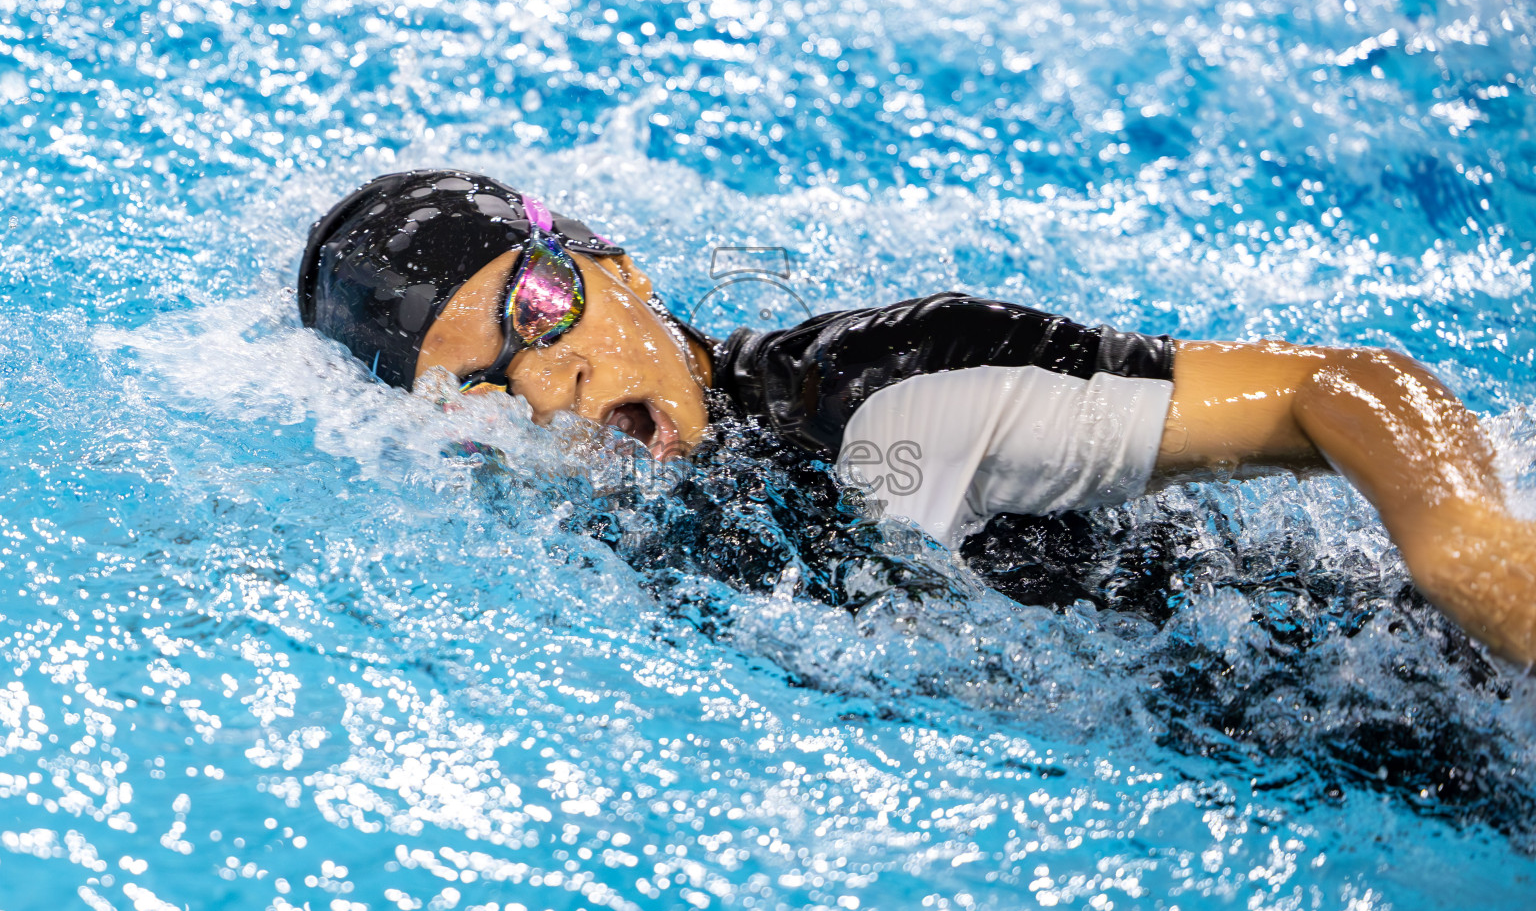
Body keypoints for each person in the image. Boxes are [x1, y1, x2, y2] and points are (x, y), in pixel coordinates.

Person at [297, 169, 1536, 667]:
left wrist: (1461, 538)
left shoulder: (889, 400)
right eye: (476, 388)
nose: (545, 382)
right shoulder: (594, 544)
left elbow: (1350, 385)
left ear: (615, 267)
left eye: (542, 303)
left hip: (1404, 681)